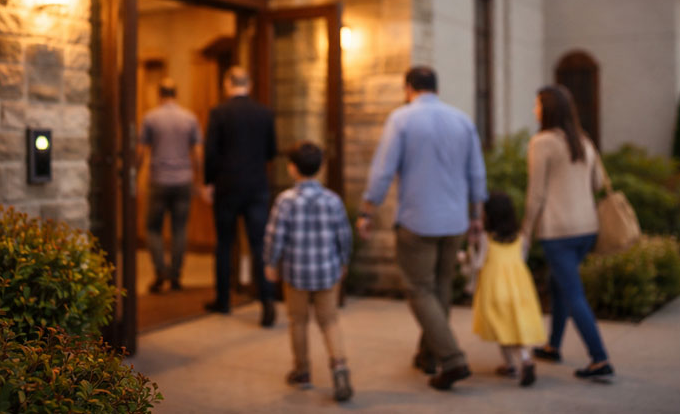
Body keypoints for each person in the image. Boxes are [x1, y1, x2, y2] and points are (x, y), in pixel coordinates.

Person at [356, 66, 487, 390]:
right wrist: (476, 215)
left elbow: (383, 169)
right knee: (440, 286)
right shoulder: (462, 120)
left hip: (418, 219)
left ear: (407, 88)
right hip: (455, 219)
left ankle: (452, 358)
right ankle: (428, 355)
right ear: (436, 88)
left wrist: (367, 210)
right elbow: (477, 173)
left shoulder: (402, 119)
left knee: (418, 289)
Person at [521, 84, 615, 380]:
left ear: (548, 109)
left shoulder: (543, 142)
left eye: (537, 105)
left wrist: (525, 233)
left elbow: (535, 194)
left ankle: (599, 358)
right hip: (586, 228)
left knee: (573, 293)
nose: (534, 110)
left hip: (558, 230)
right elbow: (600, 182)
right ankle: (553, 345)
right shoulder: (583, 141)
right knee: (558, 284)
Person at [263, 141, 354, 402]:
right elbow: (344, 235)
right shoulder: (332, 200)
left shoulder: (286, 201)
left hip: (296, 274)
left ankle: (302, 372)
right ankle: (340, 367)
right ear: (320, 168)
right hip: (327, 272)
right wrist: (343, 261)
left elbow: (274, 236)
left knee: (298, 321)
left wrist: (271, 263)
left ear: (292, 169)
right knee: (330, 321)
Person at [202, 66, 277, 327]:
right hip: (256, 185)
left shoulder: (219, 112)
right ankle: (266, 301)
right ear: (250, 84)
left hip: (227, 186)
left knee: (224, 243)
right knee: (259, 245)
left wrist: (208, 182)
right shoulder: (264, 113)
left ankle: (223, 301)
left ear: (227, 83)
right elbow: (271, 151)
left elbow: (210, 152)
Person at [471, 191, 545, 387]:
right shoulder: (521, 239)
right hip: (519, 290)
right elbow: (522, 261)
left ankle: (511, 366)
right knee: (517, 326)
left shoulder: (487, 239)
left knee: (502, 327)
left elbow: (479, 264)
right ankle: (525, 359)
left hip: (495, 291)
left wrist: (470, 249)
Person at [138, 78, 202, 294]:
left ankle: (160, 272)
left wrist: (134, 174)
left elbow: (141, 151)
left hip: (159, 179)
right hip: (183, 179)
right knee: (180, 229)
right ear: (176, 93)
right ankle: (175, 275)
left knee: (153, 228)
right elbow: (198, 152)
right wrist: (199, 178)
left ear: (159, 94)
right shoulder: (189, 117)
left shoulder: (150, 117)